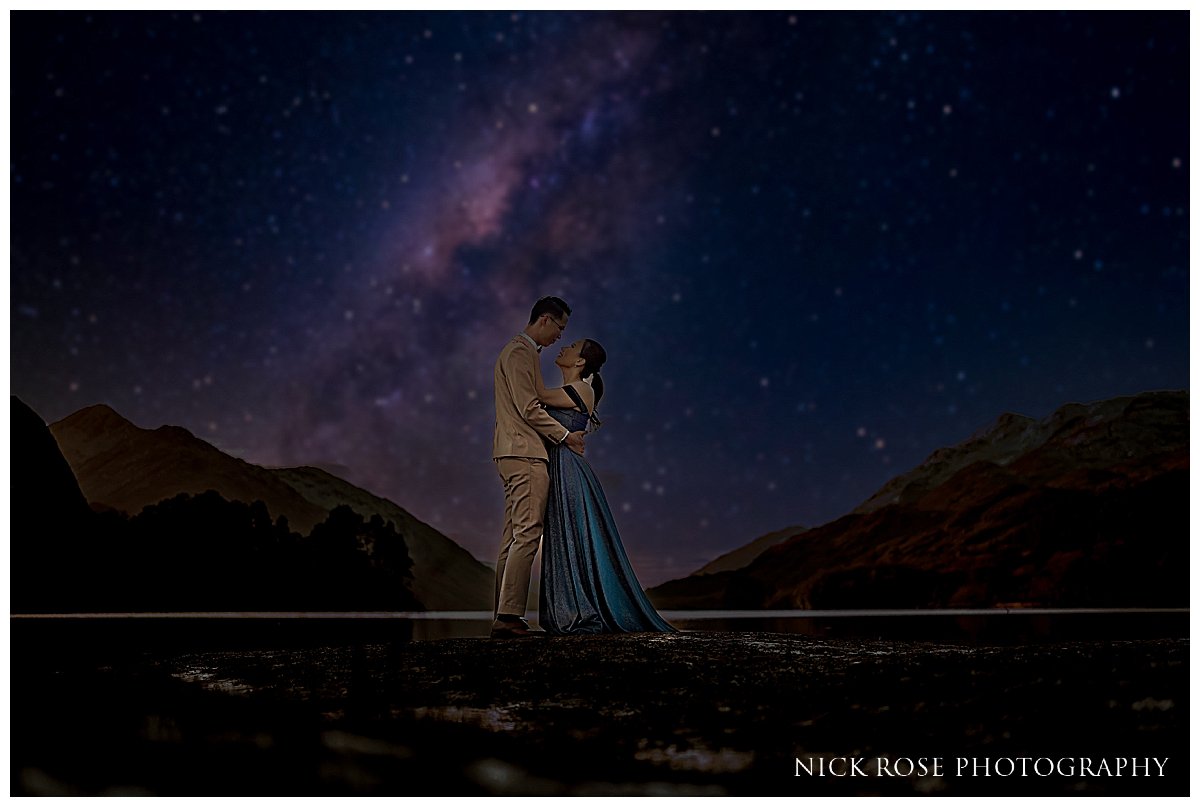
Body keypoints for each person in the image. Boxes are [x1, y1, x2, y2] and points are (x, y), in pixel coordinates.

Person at [533, 338, 676, 635]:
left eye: (571, 346)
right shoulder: (573, 389)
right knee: (565, 532)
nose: (564, 347)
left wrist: (527, 355)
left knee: (573, 533)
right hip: (562, 468)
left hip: (569, 470)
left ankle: (580, 608)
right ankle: (569, 605)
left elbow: (534, 396)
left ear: (580, 362)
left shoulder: (582, 389)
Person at [491, 297, 587, 639]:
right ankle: (508, 617)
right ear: (545, 320)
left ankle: (503, 614)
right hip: (525, 453)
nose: (560, 337)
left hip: (511, 452)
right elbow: (529, 408)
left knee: (513, 536)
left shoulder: (518, 352)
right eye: (560, 329)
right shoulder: (520, 352)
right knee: (529, 531)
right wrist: (566, 437)